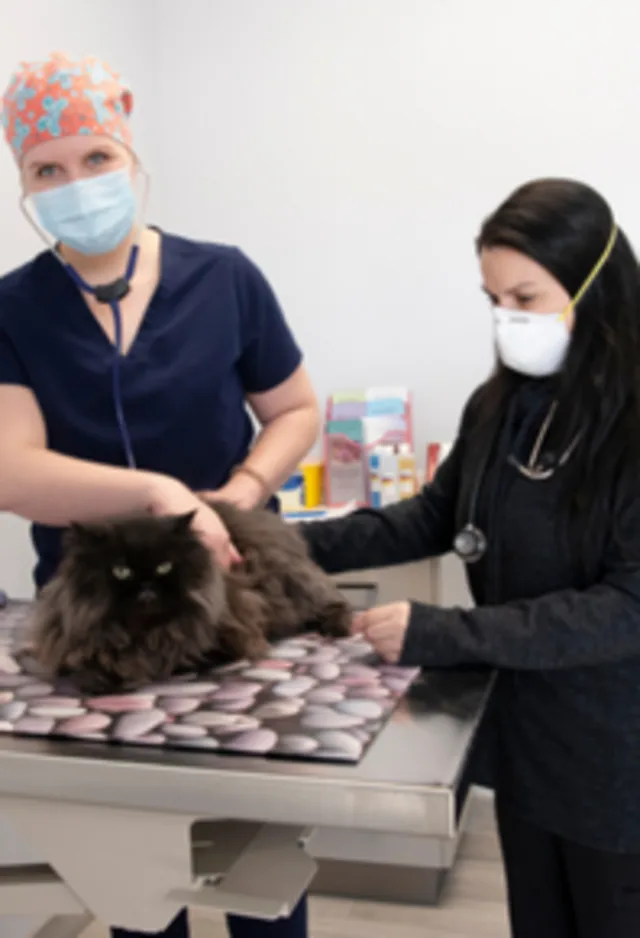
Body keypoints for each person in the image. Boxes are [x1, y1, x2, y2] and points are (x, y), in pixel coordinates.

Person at [0, 53, 314, 938]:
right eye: (46, 170)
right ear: (22, 180)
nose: (77, 183)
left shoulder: (226, 278)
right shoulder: (11, 312)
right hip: (100, 623)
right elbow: (9, 470)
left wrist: (247, 487)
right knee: (140, 884)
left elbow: (293, 409)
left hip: (231, 597)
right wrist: (157, 489)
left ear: (130, 153)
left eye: (94, 158)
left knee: (258, 869)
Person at [303, 178, 640, 938]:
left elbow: (626, 607)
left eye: (526, 299)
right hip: (526, 742)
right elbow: (434, 517)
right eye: (494, 301)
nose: (507, 321)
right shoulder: (500, 406)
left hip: (615, 756)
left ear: (599, 286)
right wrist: (284, 546)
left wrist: (441, 633)